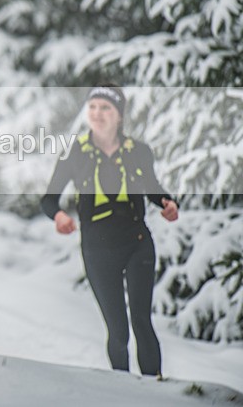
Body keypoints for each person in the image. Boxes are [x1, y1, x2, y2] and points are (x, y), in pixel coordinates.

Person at [41, 84, 179, 377]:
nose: (97, 114)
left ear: (119, 116)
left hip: (137, 242)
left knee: (142, 321)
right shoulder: (75, 152)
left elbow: (153, 189)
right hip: (97, 249)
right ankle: (124, 391)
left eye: (106, 108)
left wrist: (167, 204)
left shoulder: (138, 151)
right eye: (92, 107)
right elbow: (49, 198)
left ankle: (158, 391)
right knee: (118, 330)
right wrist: (59, 216)